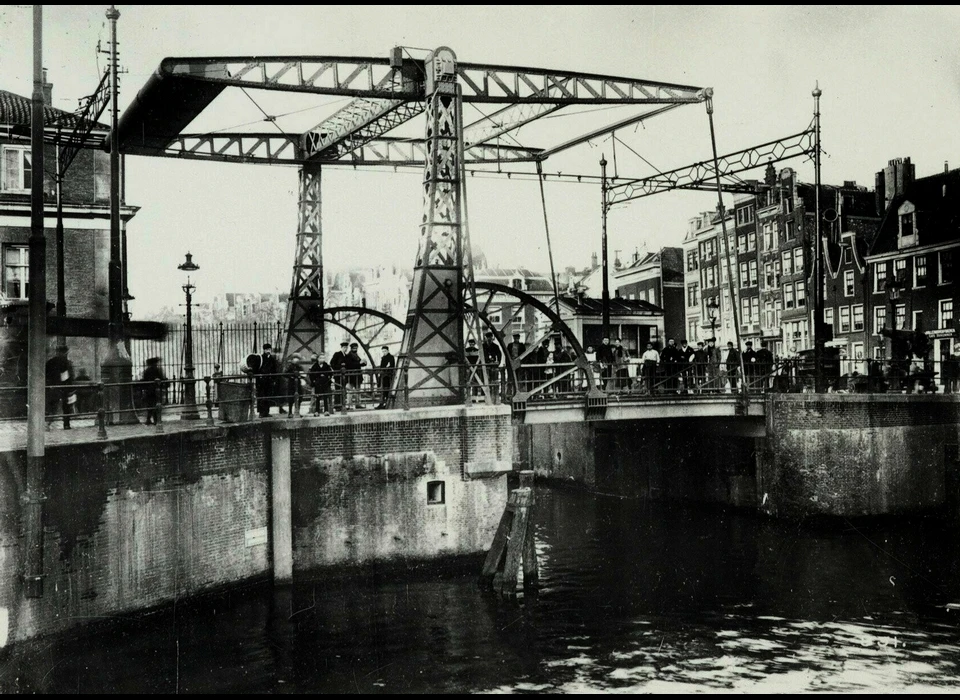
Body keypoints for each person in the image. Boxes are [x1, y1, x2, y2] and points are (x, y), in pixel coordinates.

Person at [45, 345, 75, 429]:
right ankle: (66, 424)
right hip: (63, 387)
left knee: (52, 407)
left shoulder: (50, 362)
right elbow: (66, 377)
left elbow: (45, 375)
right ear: (65, 352)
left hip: (51, 387)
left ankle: (47, 424)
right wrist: (70, 389)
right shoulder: (65, 362)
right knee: (66, 406)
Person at [141, 357, 166, 425]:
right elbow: (161, 379)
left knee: (150, 405)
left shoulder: (147, 370)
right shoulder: (157, 370)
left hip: (149, 390)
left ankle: (149, 419)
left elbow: (144, 380)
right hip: (155, 389)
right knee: (156, 404)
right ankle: (156, 420)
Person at [256, 343, 279, 417]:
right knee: (261, 395)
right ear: (264, 350)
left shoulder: (272, 359)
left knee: (268, 395)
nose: (268, 351)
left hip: (269, 380)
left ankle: (266, 411)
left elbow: (274, 369)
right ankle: (261, 412)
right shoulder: (260, 358)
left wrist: (274, 379)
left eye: (269, 349)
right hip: (261, 380)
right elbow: (257, 368)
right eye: (266, 349)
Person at [345, 342, 367, 408]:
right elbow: (350, 365)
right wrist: (359, 363)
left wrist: (364, 363)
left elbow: (358, 363)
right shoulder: (349, 356)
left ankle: (357, 404)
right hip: (351, 376)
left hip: (356, 375)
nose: (355, 349)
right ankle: (349, 404)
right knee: (350, 391)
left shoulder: (355, 355)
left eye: (356, 348)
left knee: (357, 390)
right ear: (351, 348)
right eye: (354, 348)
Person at [482, 331, 502, 400]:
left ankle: (494, 395)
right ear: (486, 338)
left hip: (493, 365)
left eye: (490, 337)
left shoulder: (495, 346)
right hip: (486, 365)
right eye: (488, 337)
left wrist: (498, 362)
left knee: (494, 380)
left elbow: (499, 354)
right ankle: (486, 395)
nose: (489, 339)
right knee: (486, 380)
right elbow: (480, 355)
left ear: (492, 338)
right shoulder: (483, 346)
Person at [330, 340, 349, 410]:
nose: (345, 349)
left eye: (346, 347)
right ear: (341, 348)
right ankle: (337, 405)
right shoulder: (337, 354)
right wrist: (338, 369)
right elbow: (332, 363)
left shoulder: (346, 356)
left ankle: (342, 404)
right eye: (344, 347)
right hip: (338, 375)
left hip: (344, 375)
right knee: (338, 389)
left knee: (343, 390)